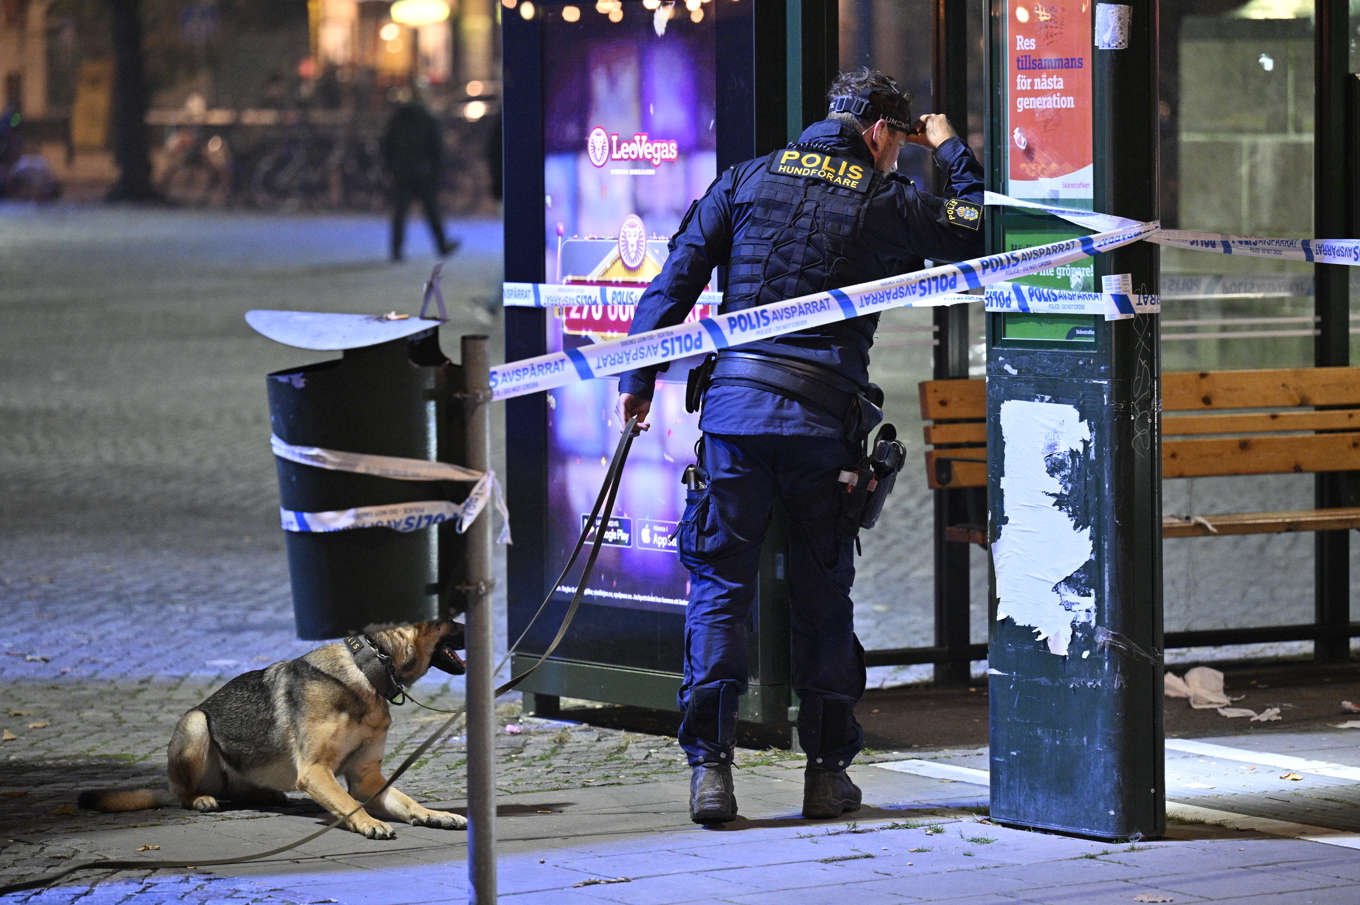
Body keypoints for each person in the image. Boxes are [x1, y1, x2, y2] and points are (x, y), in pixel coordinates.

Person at [615, 69, 985, 824]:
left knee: (720, 588)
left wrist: (640, 379)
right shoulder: (883, 197)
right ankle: (826, 773)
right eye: (899, 141)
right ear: (882, 131)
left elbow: (673, 282)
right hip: (823, 426)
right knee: (823, 596)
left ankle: (710, 773)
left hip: (736, 416)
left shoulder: (746, 179)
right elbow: (978, 224)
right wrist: (947, 149)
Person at [380, 89, 455, 262]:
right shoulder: (429, 119)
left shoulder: (397, 120)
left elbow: (386, 147)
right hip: (425, 173)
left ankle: (396, 249)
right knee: (431, 210)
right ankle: (442, 245)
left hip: (403, 172)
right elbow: (437, 150)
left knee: (400, 211)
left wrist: (392, 167)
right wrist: (437, 172)